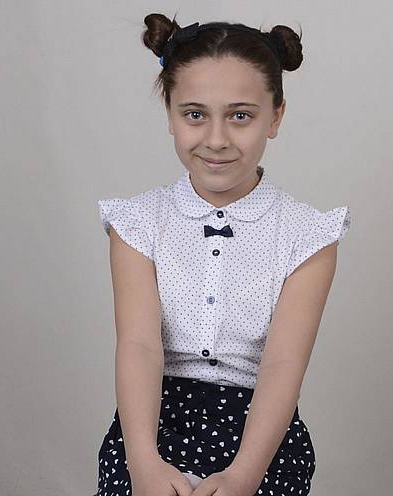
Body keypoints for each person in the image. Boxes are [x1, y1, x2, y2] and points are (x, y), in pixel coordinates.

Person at [94, 12, 351, 496]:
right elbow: (139, 346)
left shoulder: (307, 235)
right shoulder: (138, 223)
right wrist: (143, 463)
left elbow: (283, 364)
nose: (216, 139)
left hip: (260, 437)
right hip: (152, 426)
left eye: (240, 116)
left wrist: (242, 475)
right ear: (170, 114)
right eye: (195, 114)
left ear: (275, 117)